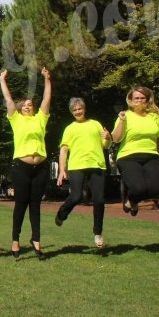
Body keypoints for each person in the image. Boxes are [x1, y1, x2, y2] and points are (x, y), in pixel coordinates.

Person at [0, 67, 52, 260]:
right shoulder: (16, 120)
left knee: (36, 205)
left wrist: (47, 79)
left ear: (34, 108)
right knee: (21, 204)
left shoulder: (41, 119)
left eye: (30, 104)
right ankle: (15, 240)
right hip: (21, 168)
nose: (27, 107)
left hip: (41, 168)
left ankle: (36, 240)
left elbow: (47, 100)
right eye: (25, 105)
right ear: (21, 109)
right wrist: (2, 80)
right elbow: (9, 100)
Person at [111, 86, 159, 216]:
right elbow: (116, 139)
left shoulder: (154, 117)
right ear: (130, 100)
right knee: (138, 188)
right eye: (136, 98)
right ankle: (132, 200)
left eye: (142, 98)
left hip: (151, 156)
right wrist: (121, 121)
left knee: (155, 189)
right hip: (128, 156)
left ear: (147, 100)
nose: (139, 100)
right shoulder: (125, 116)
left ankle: (130, 202)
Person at [55, 98, 111, 248]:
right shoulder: (69, 128)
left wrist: (107, 138)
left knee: (99, 200)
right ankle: (62, 213)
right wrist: (61, 170)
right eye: (74, 110)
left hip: (96, 164)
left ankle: (98, 234)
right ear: (72, 112)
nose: (78, 112)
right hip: (77, 166)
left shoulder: (95, 124)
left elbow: (105, 145)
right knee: (76, 196)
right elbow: (64, 150)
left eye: (79, 109)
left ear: (84, 109)